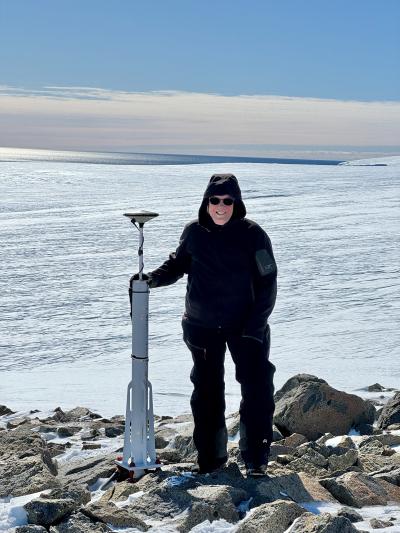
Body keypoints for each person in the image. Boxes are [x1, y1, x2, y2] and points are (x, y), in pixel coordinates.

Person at [133, 174, 277, 476]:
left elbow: (268, 282)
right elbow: (177, 264)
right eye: (215, 200)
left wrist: (255, 326)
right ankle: (211, 461)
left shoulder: (254, 235)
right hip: (202, 328)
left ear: (236, 203)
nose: (221, 206)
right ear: (206, 202)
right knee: (208, 393)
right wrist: (151, 279)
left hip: (246, 329)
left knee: (257, 389)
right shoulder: (194, 232)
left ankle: (256, 459)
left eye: (227, 201)